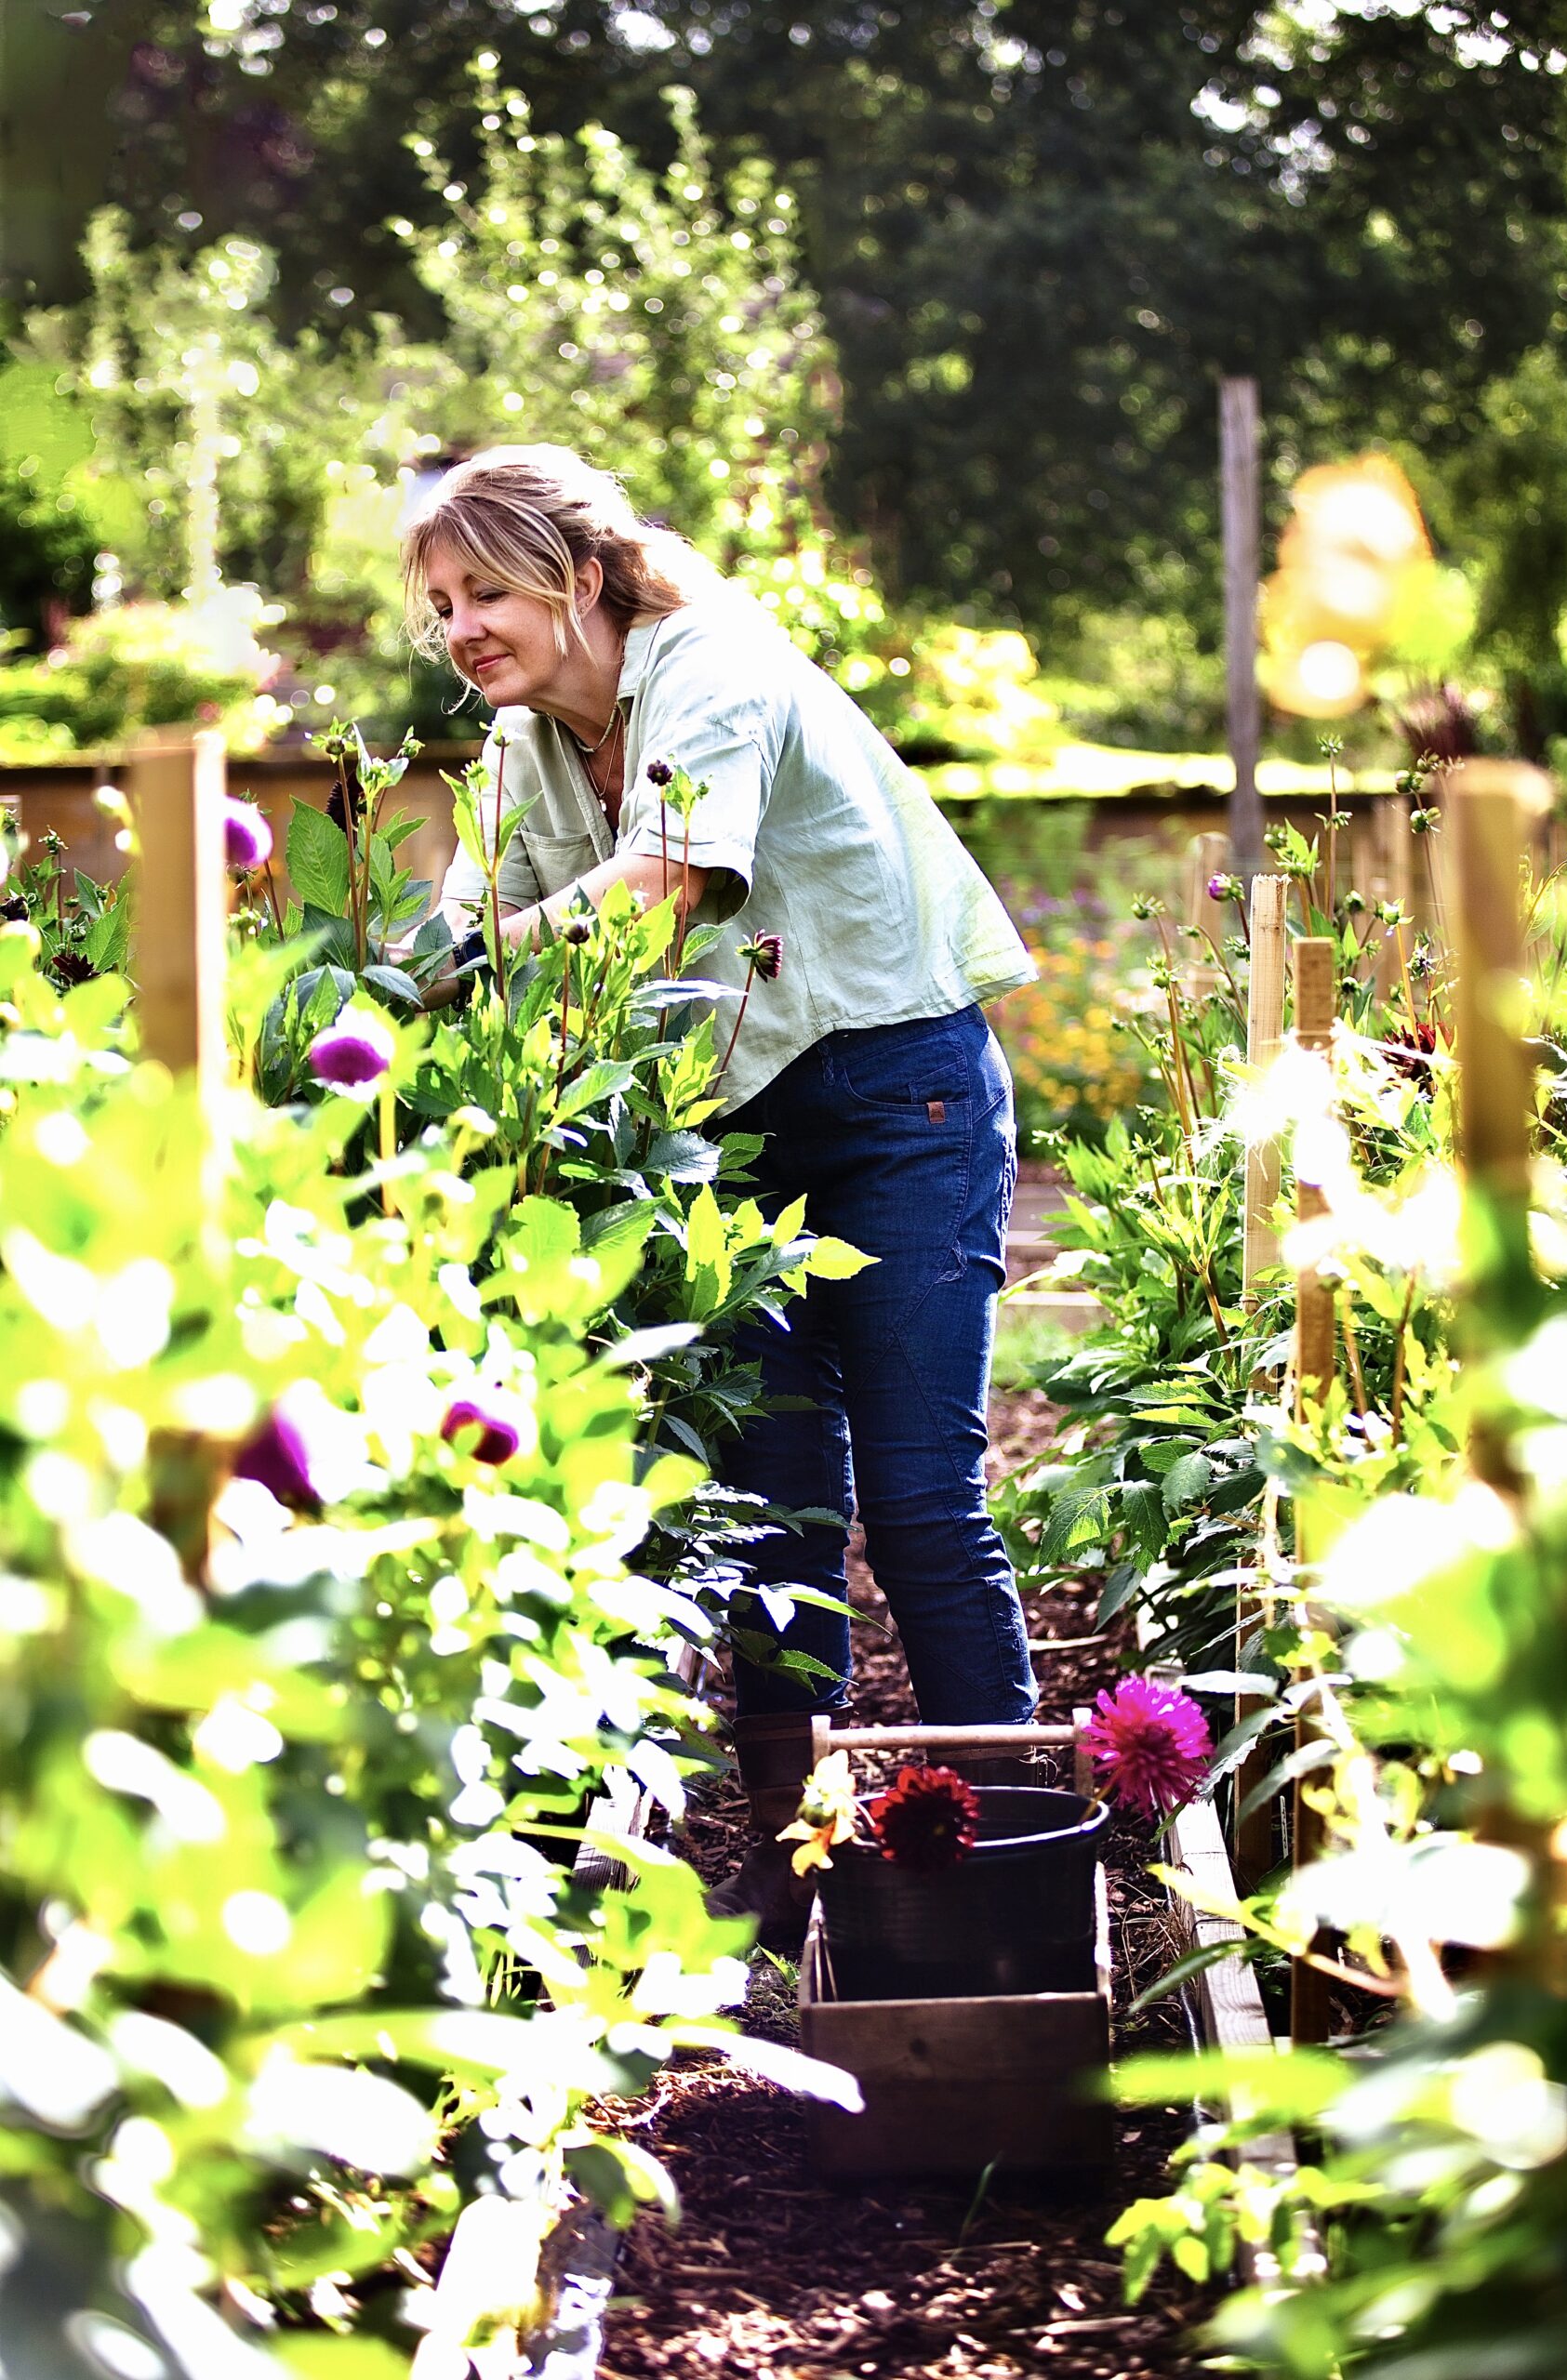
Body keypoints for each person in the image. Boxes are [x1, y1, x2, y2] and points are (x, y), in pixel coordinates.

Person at [404, 445, 1040, 1940]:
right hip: (723, 1133)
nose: (462, 629)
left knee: (922, 1500)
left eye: (489, 592)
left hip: (896, 1099)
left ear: (578, 578)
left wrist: (455, 969)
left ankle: (1006, 1872)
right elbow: (462, 925)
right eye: (442, 605)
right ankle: (808, 1878)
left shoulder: (714, 668)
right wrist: (362, 1002)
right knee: (773, 1519)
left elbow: (667, 884)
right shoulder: (524, 742)